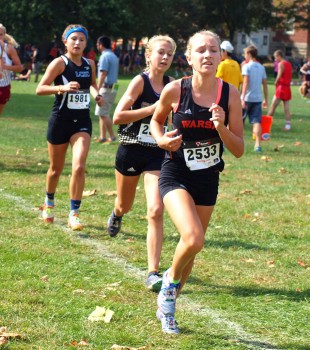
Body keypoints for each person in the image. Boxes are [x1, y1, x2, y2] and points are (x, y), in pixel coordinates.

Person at [150, 30, 244, 334]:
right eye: (200, 50)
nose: (207, 55)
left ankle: (168, 306)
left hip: (208, 179)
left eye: (213, 50)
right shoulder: (176, 90)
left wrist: (221, 127)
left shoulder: (230, 95)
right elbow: (155, 120)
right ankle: (168, 287)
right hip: (175, 173)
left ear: (221, 57)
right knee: (193, 238)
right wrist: (163, 140)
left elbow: (239, 149)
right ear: (189, 57)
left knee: (191, 249)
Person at [107, 35, 176, 292]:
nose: (165, 57)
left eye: (169, 53)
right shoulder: (140, 81)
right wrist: (152, 109)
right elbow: (117, 117)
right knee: (125, 204)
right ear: (149, 55)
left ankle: (152, 272)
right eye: (161, 52)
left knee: (156, 209)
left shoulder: (172, 85)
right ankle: (117, 213)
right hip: (131, 150)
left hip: (156, 153)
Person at [36, 24, 103, 230]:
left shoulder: (90, 63)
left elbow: (91, 84)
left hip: (82, 122)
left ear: (86, 43)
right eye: (73, 39)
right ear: (65, 41)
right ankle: (49, 202)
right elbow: (40, 89)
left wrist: (96, 95)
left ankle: (74, 213)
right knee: (55, 170)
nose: (77, 43)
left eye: (81, 40)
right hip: (60, 121)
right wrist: (62, 87)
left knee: (79, 166)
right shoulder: (59, 63)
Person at [241, 45, 268, 152]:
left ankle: (239, 143)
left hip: (247, 98)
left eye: (245, 54)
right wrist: (266, 99)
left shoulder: (247, 66)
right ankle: (257, 145)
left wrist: (242, 97)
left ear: (249, 54)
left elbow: (246, 82)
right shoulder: (261, 67)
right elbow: (265, 84)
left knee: (240, 121)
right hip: (257, 99)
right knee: (257, 121)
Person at [95, 36, 119, 143]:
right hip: (114, 87)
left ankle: (112, 137)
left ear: (101, 45)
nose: (97, 46)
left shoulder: (104, 56)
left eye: (97, 44)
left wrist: (97, 88)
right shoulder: (114, 56)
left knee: (103, 113)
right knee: (102, 112)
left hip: (106, 87)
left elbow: (103, 73)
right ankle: (102, 136)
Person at [0, 23, 24, 115]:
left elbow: (20, 68)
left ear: (4, 35)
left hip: (3, 87)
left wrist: (5, 67)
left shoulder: (9, 49)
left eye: (1, 35)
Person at [267, 50, 293, 131]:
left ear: (279, 56)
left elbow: (279, 75)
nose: (275, 59)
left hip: (281, 87)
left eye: (275, 57)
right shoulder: (289, 64)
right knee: (286, 108)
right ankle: (288, 126)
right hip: (287, 87)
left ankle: (266, 124)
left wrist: (275, 82)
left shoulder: (281, 64)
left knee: (273, 106)